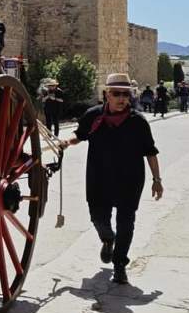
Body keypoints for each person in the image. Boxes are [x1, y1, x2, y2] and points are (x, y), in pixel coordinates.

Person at [59, 73, 163, 286]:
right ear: (107, 94)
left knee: (126, 223)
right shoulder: (93, 115)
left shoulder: (138, 122)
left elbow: (150, 152)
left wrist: (157, 179)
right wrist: (67, 142)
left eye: (125, 94)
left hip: (130, 180)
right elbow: (80, 134)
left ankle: (119, 265)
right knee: (98, 219)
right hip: (99, 178)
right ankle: (108, 239)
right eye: (116, 93)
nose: (121, 98)